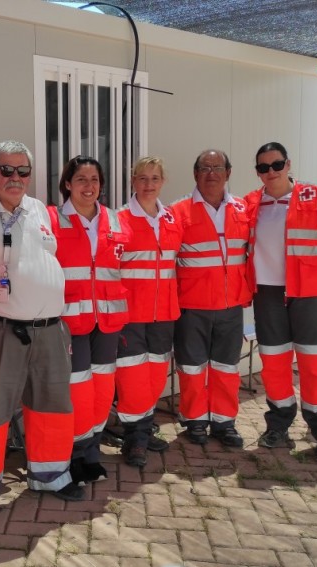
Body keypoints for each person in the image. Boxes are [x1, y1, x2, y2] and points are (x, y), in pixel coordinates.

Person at [0, 140, 84, 527]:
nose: (15, 178)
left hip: (49, 330)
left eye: (22, 171)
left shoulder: (39, 209)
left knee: (51, 406)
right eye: (6, 170)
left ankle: (50, 475)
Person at [244, 142, 317, 463]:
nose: (270, 172)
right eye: (263, 167)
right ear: (257, 171)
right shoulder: (250, 203)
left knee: (314, 366)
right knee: (274, 363)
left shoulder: (314, 196)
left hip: (311, 292)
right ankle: (279, 424)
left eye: (276, 165)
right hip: (268, 293)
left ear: (288, 164)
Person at [48, 156, 130, 483]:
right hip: (71, 323)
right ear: (67, 184)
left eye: (94, 179)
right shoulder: (52, 220)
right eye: (81, 179)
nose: (88, 186)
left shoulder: (116, 220)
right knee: (77, 392)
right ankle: (74, 454)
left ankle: (92, 450)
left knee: (102, 389)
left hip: (108, 322)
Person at [171, 149, 251, 448]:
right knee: (192, 367)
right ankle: (194, 420)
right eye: (205, 168)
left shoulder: (243, 209)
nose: (212, 174)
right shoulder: (177, 212)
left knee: (226, 367)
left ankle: (223, 422)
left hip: (231, 307)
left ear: (228, 173)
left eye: (218, 168)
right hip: (192, 306)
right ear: (195, 174)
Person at [115, 157, 181, 466]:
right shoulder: (119, 220)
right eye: (143, 178)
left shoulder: (172, 219)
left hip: (164, 313)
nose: (149, 184)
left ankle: (144, 426)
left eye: (155, 178)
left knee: (155, 376)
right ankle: (135, 440)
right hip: (130, 315)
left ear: (163, 182)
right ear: (133, 182)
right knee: (132, 378)